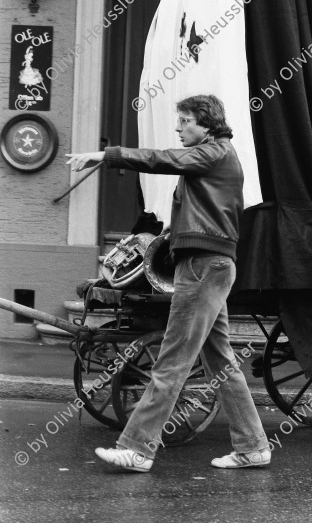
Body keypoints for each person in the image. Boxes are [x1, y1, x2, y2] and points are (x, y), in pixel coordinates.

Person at [66, 94, 270, 472]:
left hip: (203, 267)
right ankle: (254, 446)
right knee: (222, 361)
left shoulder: (214, 152)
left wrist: (106, 156)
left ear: (205, 124)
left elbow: (164, 159)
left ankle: (138, 449)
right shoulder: (213, 156)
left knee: (172, 360)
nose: (178, 127)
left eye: (184, 120)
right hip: (208, 265)